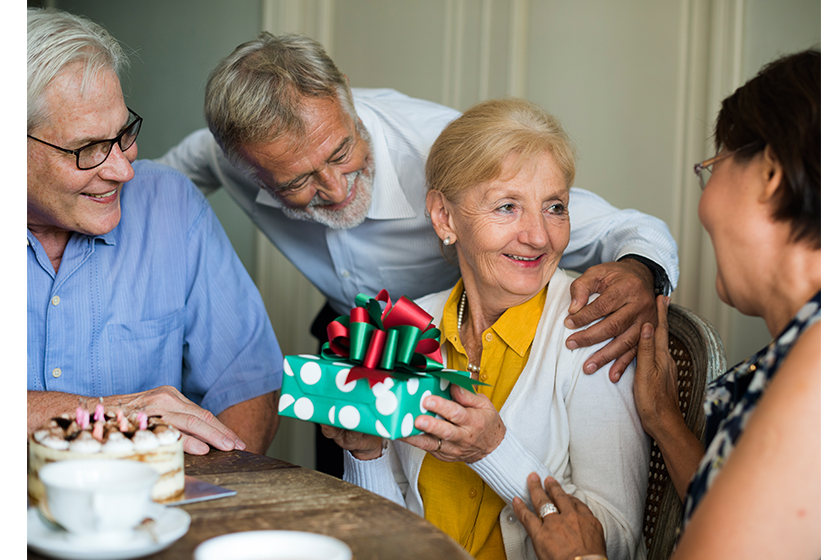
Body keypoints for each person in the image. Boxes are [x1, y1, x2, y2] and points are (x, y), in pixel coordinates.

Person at [159, 32, 680, 384]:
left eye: (342, 153)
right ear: (248, 169)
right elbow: (155, 189)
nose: (336, 189)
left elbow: (624, 227)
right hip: (350, 342)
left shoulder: (445, 153)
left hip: (455, 349)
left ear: (347, 101)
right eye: (297, 181)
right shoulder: (221, 154)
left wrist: (641, 269)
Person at [512, 49, 820, 560]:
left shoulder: (817, 362)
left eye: (714, 167)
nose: (703, 199)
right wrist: (664, 421)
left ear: (771, 174)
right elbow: (757, 514)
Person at [322, 98, 650, 560]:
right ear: (444, 217)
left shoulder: (590, 330)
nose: (539, 235)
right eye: (507, 207)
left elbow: (616, 539)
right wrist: (366, 453)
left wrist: (492, 451)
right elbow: (383, 538)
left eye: (554, 207)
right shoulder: (403, 326)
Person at [27, 8, 284, 455]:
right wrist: (109, 413)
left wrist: (209, 506)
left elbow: (247, 381)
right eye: (88, 149)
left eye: (122, 133)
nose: (123, 170)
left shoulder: (170, 204)